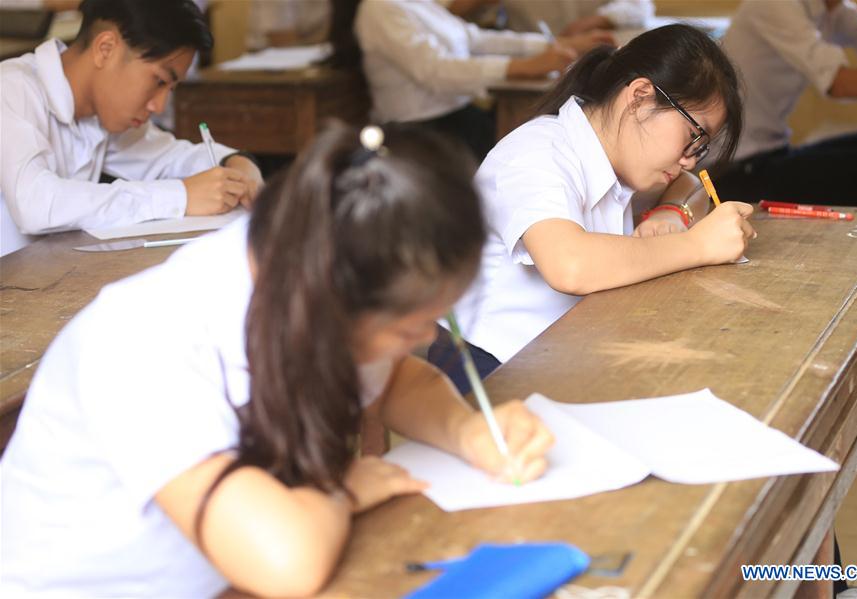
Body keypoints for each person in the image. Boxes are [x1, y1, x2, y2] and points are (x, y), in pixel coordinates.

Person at [0, 122, 554, 597]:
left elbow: (392, 381)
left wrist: (467, 431)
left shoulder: (312, 264)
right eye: (409, 327)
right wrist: (345, 485)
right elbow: (286, 562)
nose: (422, 340)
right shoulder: (146, 343)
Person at [428, 25, 755, 394]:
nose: (689, 160)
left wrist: (672, 212)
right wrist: (698, 246)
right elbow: (569, 265)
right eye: (694, 135)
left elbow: (690, 186)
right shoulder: (536, 153)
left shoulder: (620, 157)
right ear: (640, 97)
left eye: (700, 148)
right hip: (489, 367)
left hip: (563, 356)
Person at [0, 0, 264, 256]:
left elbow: (169, 156)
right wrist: (179, 196)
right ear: (105, 49)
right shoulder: (12, 88)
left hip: (49, 276)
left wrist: (237, 163)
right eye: (159, 81)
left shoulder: (101, 113)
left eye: (170, 89)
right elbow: (35, 204)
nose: (159, 106)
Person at [346, 0, 611, 161]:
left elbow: (476, 38)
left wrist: (556, 44)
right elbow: (436, 70)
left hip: (457, 117)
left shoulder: (417, 4)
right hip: (421, 129)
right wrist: (523, 67)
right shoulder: (379, 9)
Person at [715, 0, 857, 206]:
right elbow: (838, 82)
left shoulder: (834, 9)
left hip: (772, 152)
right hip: (738, 171)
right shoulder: (775, 4)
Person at [444, 0, 655, 36]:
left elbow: (641, 6)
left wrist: (594, 21)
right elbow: (444, 17)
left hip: (594, 57)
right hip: (533, 66)